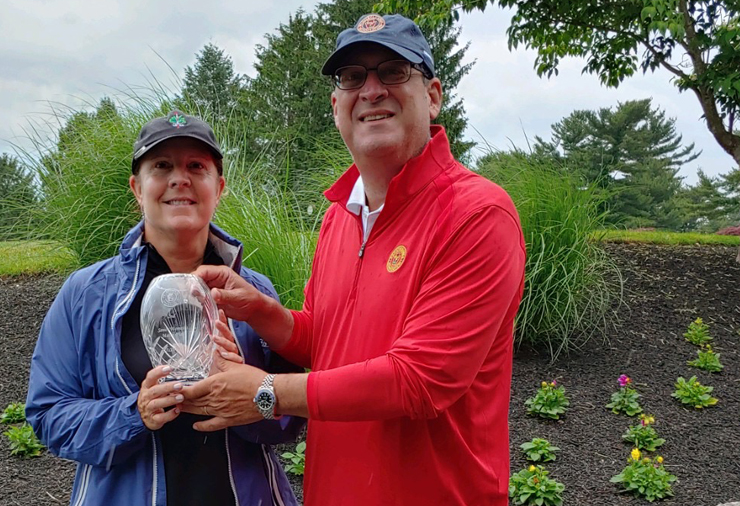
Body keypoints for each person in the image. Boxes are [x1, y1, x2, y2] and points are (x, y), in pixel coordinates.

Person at [181, 13, 527, 506]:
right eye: (352, 78)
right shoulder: (339, 219)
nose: (371, 90)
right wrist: (260, 310)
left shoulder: (477, 213)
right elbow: (332, 345)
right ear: (336, 105)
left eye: (392, 71)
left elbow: (420, 380)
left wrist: (267, 392)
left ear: (432, 96)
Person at [25, 110, 304, 506]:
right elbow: (48, 414)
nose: (180, 178)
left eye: (196, 166)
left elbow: (290, 419)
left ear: (218, 186)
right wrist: (133, 414)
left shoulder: (254, 293)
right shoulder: (85, 294)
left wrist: (253, 388)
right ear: (137, 187)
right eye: (162, 166)